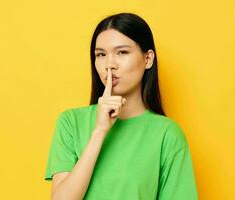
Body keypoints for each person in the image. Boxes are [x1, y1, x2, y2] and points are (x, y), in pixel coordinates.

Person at [44, 12, 198, 200]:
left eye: (122, 52)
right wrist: (100, 131)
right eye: (101, 54)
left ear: (148, 59)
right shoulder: (70, 122)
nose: (109, 65)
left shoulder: (167, 134)